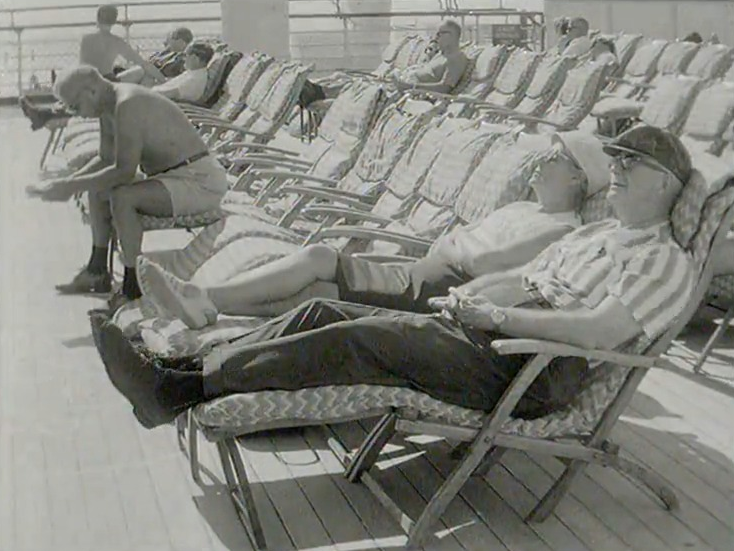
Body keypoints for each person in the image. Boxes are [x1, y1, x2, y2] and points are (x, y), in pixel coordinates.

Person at [100, 125, 696, 429]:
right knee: (321, 312)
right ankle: (184, 366)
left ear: (666, 184)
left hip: (533, 368)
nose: (615, 169)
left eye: (630, 163)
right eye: (613, 159)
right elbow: (519, 279)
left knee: (355, 339)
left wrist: (497, 316)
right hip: (487, 334)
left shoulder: (664, 261)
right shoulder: (593, 235)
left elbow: (596, 331)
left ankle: (177, 394)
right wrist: (468, 299)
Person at [138, 131, 611, 327]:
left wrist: (456, 243)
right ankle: (208, 311)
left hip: (443, 290)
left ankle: (206, 298)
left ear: (577, 178)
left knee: (321, 256)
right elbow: (462, 243)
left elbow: (481, 260)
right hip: (428, 271)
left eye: (554, 157)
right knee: (316, 293)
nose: (539, 163)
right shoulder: (525, 211)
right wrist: (456, 243)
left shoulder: (560, 228)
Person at [25, 65, 230, 306]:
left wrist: (70, 186)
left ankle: (133, 286)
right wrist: (67, 182)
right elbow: (106, 159)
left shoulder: (128, 104)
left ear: (91, 91)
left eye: (74, 106)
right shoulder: (108, 106)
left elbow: (123, 171)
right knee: (98, 189)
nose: (75, 114)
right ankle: (97, 271)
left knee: (123, 196)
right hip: (170, 177)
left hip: (198, 180)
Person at [18, 4, 167, 131]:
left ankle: (44, 114)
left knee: (82, 96)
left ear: (97, 19)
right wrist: (163, 80)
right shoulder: (116, 42)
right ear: (114, 21)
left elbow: (83, 65)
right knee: (141, 71)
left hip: (83, 80)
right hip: (105, 82)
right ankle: (139, 107)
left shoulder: (86, 38)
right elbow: (143, 64)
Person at [390, 20, 469, 94]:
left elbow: (444, 88)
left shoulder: (456, 58)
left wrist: (411, 86)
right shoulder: (441, 54)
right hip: (405, 83)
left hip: (415, 94)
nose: (436, 38)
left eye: (439, 34)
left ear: (452, 35)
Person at [117, 27, 194, 85]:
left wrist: (162, 79)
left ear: (181, 42)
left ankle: (113, 84)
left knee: (143, 72)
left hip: (159, 82)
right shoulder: (163, 54)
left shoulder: (184, 58)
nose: (167, 42)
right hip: (148, 78)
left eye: (171, 39)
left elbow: (182, 78)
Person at [149, 40, 213, 102]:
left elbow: (170, 94)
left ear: (195, 59)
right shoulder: (193, 73)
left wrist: (147, 91)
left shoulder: (195, 80)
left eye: (186, 55)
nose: (184, 59)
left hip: (163, 104)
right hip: (160, 95)